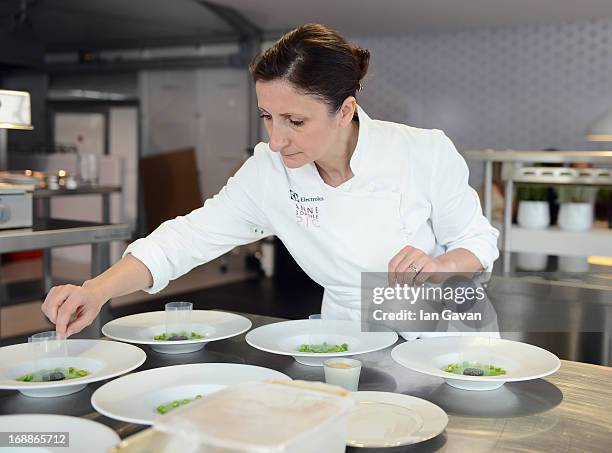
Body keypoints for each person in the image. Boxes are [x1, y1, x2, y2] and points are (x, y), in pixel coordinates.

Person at [41, 23, 499, 338]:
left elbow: (478, 242)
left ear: (345, 110)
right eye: (267, 117)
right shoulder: (269, 171)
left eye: (295, 121)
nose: (277, 140)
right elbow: (188, 237)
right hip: (348, 330)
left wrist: (439, 268)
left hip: (441, 329)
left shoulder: (422, 151)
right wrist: (96, 289)